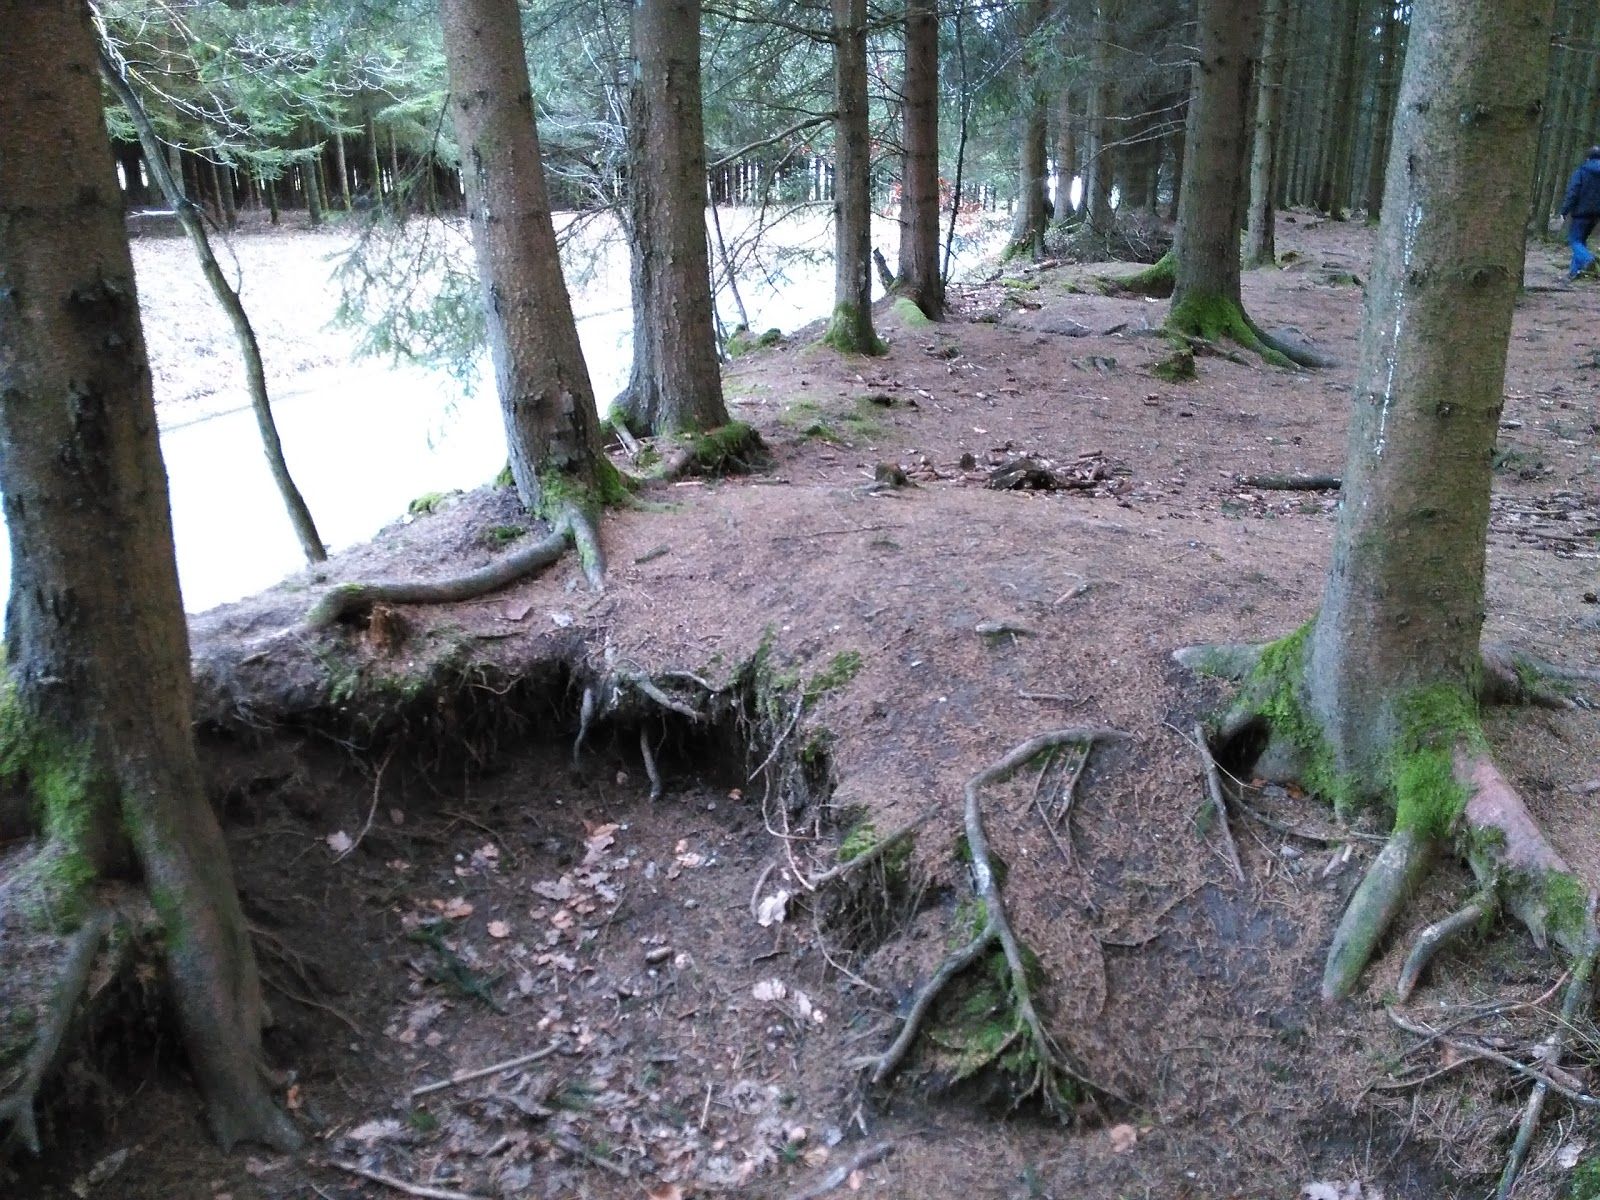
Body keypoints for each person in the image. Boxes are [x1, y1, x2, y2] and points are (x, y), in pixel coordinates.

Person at [1560, 146, 1600, 281]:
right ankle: (1574, 272)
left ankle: (1588, 259)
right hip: (1596, 215)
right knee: (1581, 241)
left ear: (1588, 158)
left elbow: (1573, 191)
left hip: (1581, 213)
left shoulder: (1581, 171)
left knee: (1575, 241)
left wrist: (1564, 210)